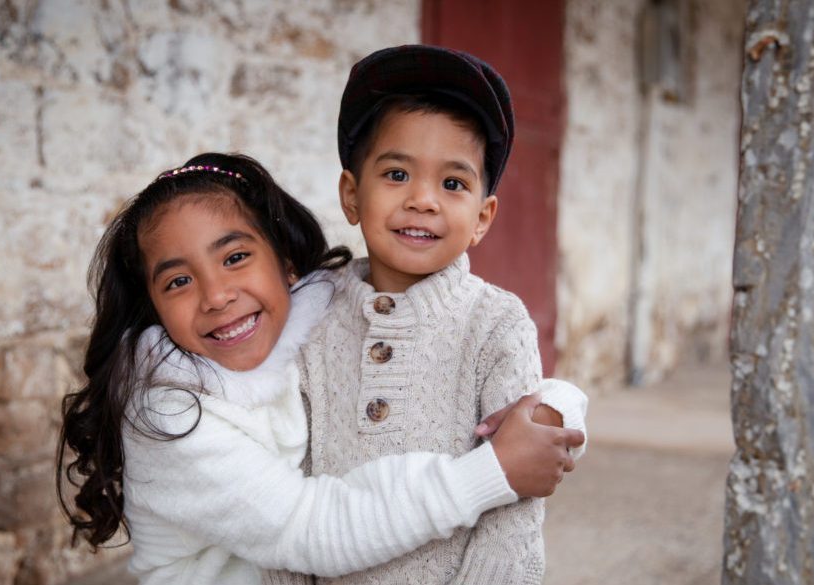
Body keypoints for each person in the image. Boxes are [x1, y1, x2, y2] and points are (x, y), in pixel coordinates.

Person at [55, 152, 585, 585]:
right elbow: (312, 529)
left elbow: (448, 349)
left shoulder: (314, 321)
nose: (217, 296)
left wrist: (552, 407)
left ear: (285, 261)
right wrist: (491, 472)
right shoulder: (171, 412)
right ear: (153, 306)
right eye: (177, 281)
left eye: (235, 257)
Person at [273, 45, 589, 585]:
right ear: (352, 194)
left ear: (482, 217)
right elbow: (285, 493)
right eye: (396, 174)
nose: (423, 200)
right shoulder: (310, 316)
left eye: (453, 183)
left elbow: (514, 504)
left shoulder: (496, 326)